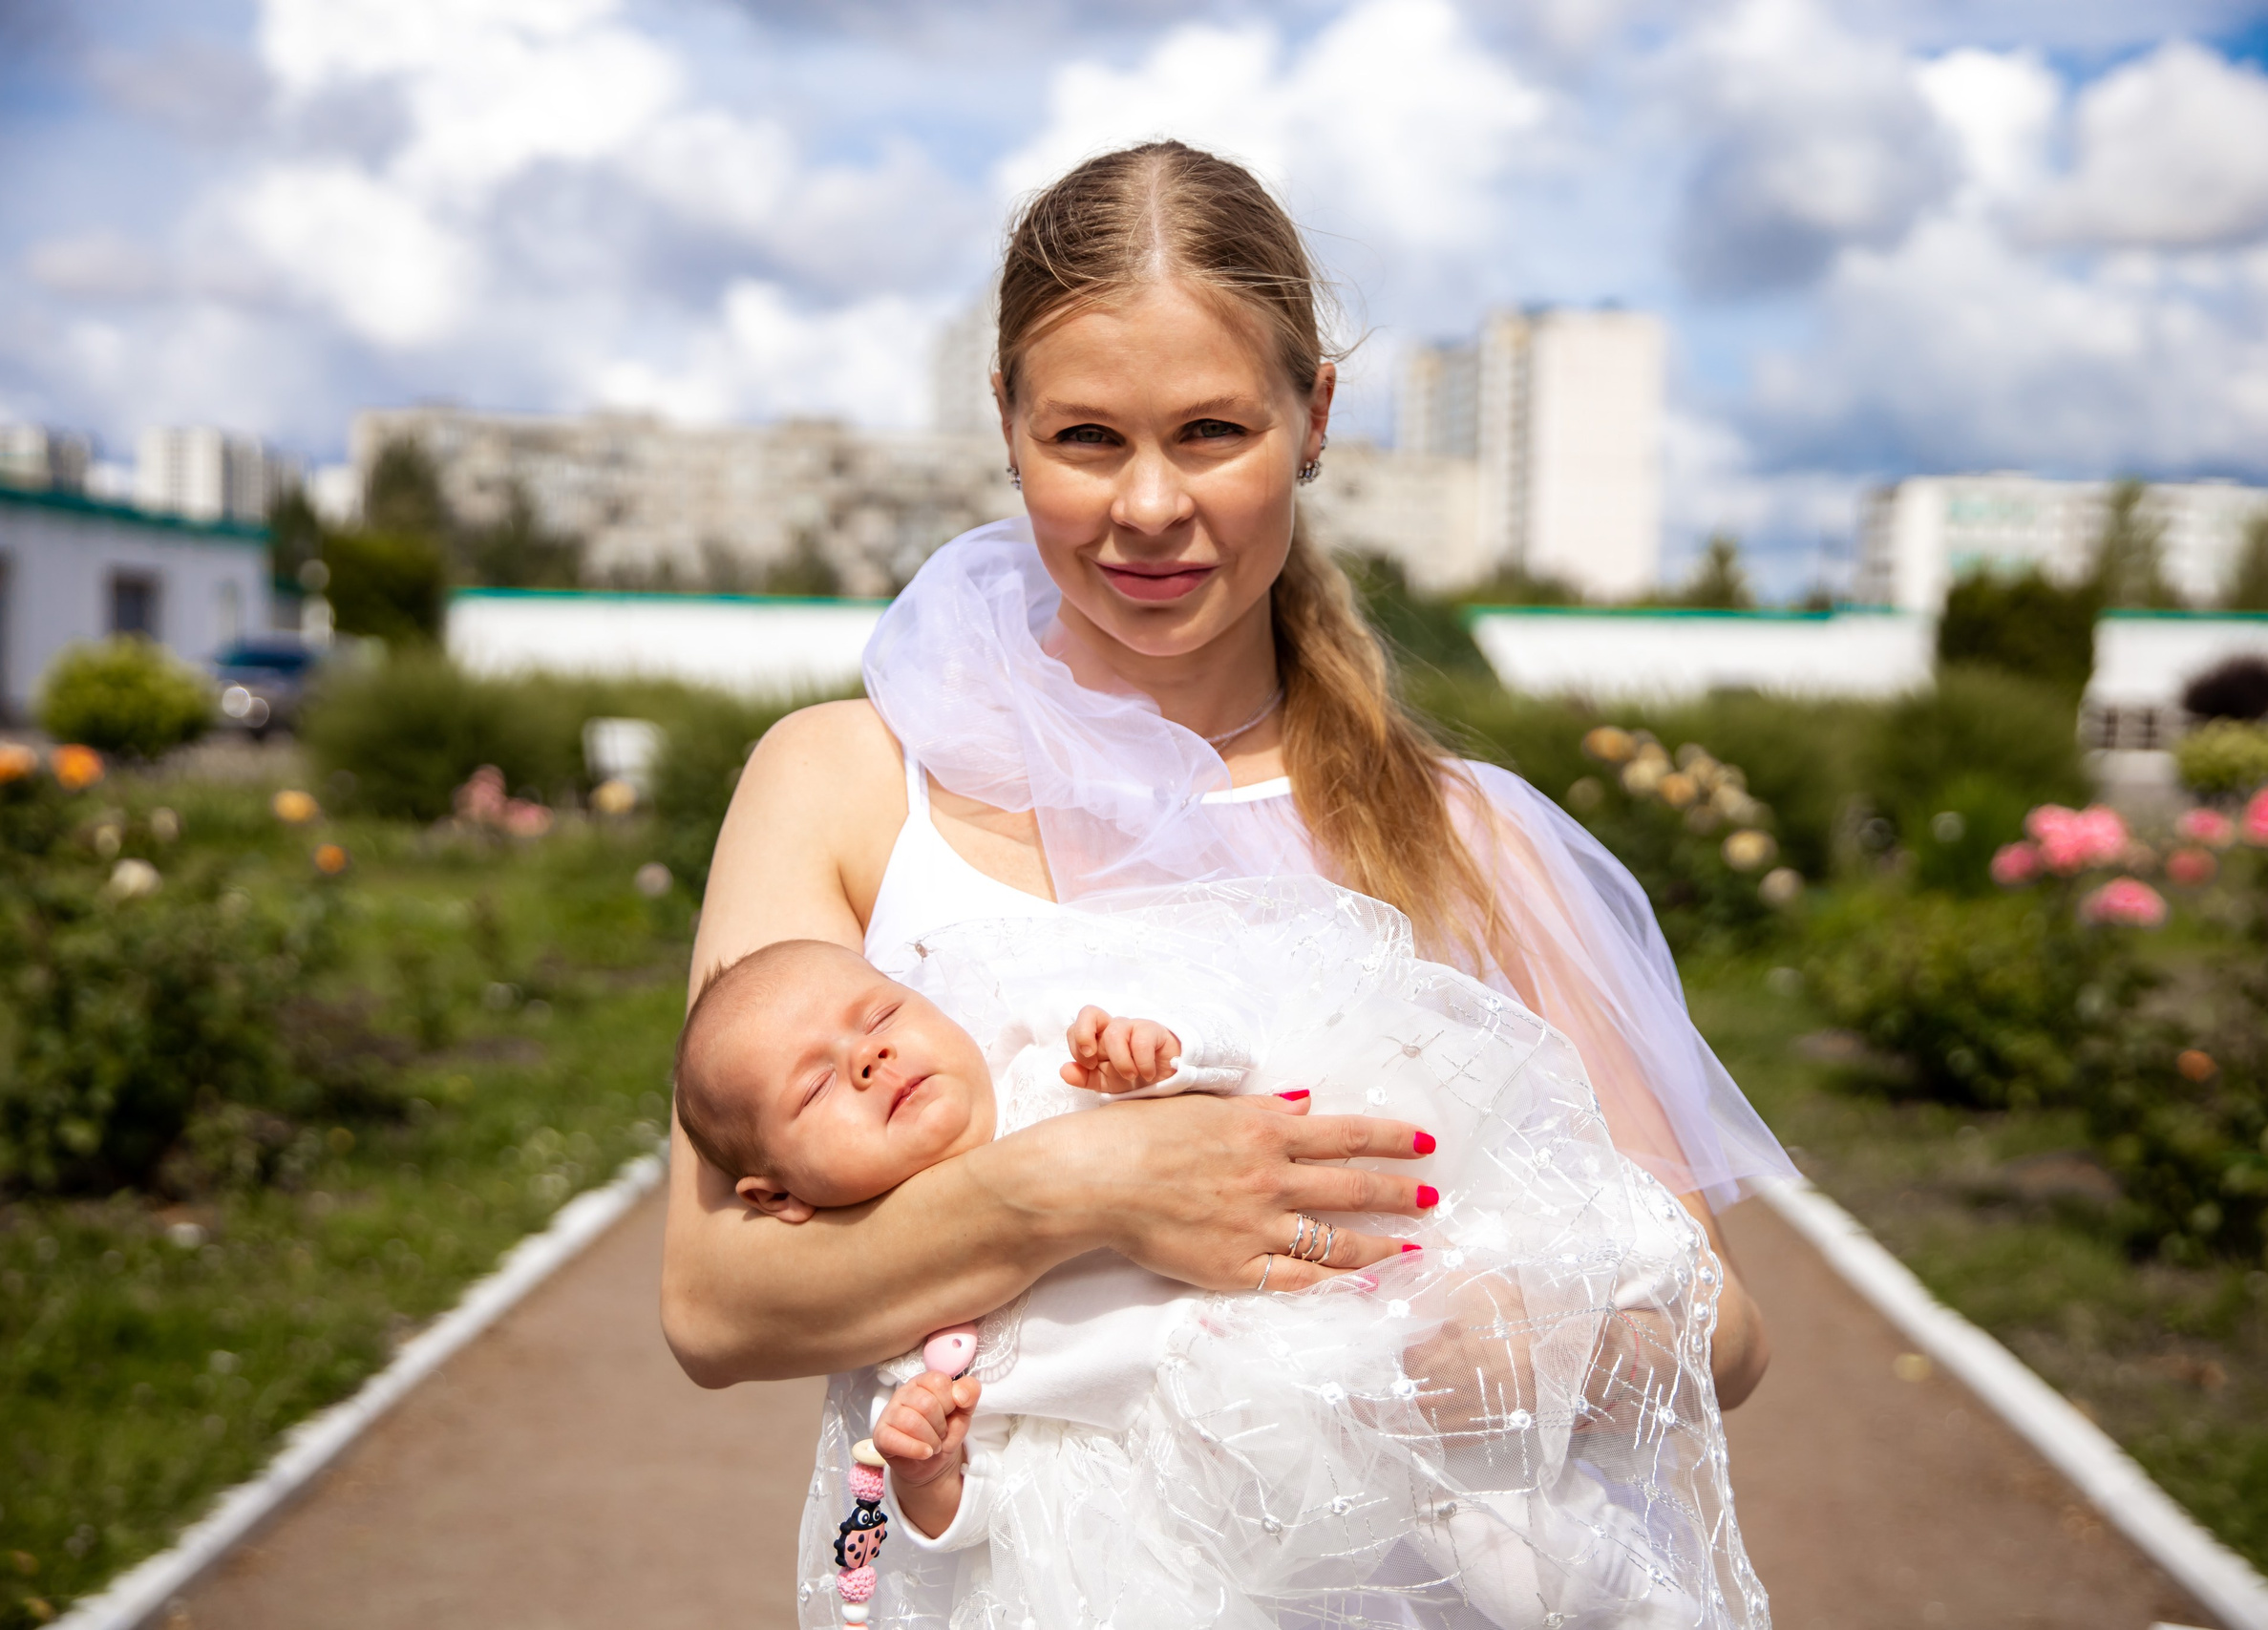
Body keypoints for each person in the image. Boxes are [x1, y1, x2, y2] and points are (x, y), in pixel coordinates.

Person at [664, 138, 1784, 1422]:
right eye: (1087, 436)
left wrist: (1558, 1340)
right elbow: (714, 1301)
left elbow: (1725, 1324)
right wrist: (1090, 1184)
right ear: (1006, 423)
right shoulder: (841, 780)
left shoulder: (1467, 837)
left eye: (1210, 431)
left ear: (1312, 417)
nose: (1148, 504)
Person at [675, 890, 1762, 1628]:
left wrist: (1163, 1056)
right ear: (777, 1196)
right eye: (814, 1087)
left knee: (1513, 1523)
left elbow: (1244, 1066)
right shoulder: (909, 1311)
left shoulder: (1052, 1059)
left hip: (1346, 1327)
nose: (866, 1058)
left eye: (880, 1015)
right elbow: (958, 1521)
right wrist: (929, 1477)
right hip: (1207, 1492)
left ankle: (1625, 1582)